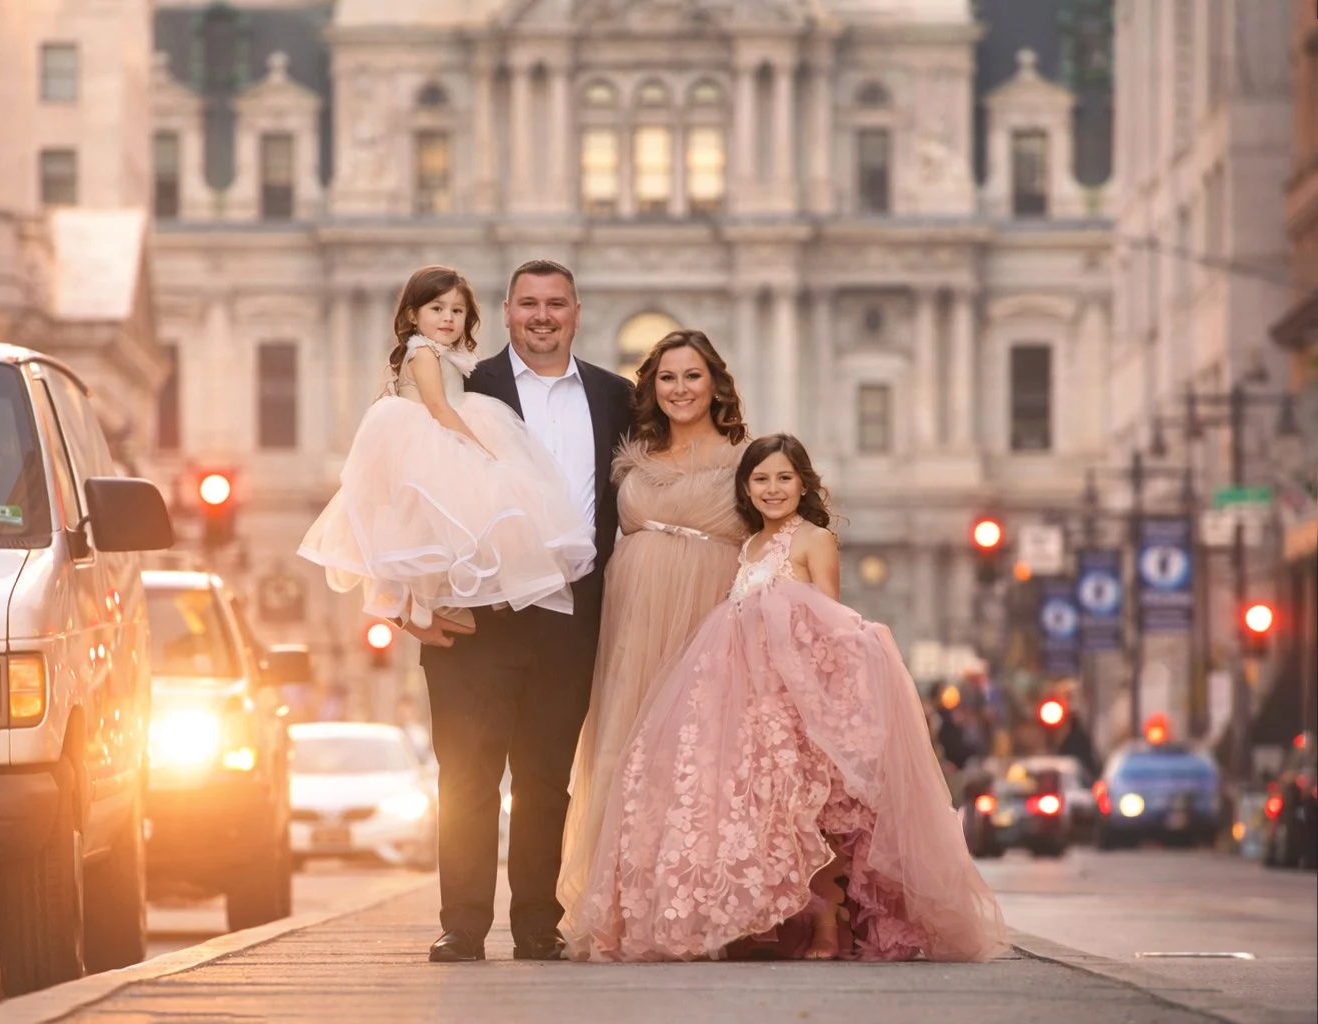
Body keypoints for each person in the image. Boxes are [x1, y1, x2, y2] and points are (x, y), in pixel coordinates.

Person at [564, 434, 1009, 963]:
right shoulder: (746, 547)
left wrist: (821, 701)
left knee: (811, 811)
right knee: (755, 812)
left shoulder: (814, 540)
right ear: (746, 488)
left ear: (803, 484)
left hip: (794, 697)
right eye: (760, 479)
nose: (772, 489)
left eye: (783, 478)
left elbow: (830, 621)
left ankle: (828, 920)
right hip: (744, 698)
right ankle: (754, 916)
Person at [407, 259, 633, 963]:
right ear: (505, 312)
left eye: (556, 304)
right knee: (466, 776)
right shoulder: (462, 382)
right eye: (528, 303)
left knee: (544, 779)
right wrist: (406, 603)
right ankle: (463, 925)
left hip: (571, 617)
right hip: (474, 615)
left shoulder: (616, 398)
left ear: (575, 311)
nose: (542, 315)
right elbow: (409, 489)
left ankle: (537, 921)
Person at [557, 329, 749, 926]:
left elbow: (781, 540)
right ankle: (623, 906)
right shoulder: (630, 455)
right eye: (667, 377)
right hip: (632, 622)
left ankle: (696, 905)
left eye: (692, 375)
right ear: (651, 386)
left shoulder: (750, 460)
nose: (680, 388)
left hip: (707, 620)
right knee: (627, 752)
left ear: (715, 383)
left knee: (697, 756)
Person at [298, 265, 594, 631]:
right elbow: (439, 407)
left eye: (457, 311)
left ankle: (456, 594)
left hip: (446, 427)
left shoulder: (443, 354)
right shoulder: (422, 352)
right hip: (433, 435)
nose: (449, 318)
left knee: (462, 520)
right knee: (437, 520)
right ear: (412, 314)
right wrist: (477, 448)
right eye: (437, 309)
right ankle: (422, 601)